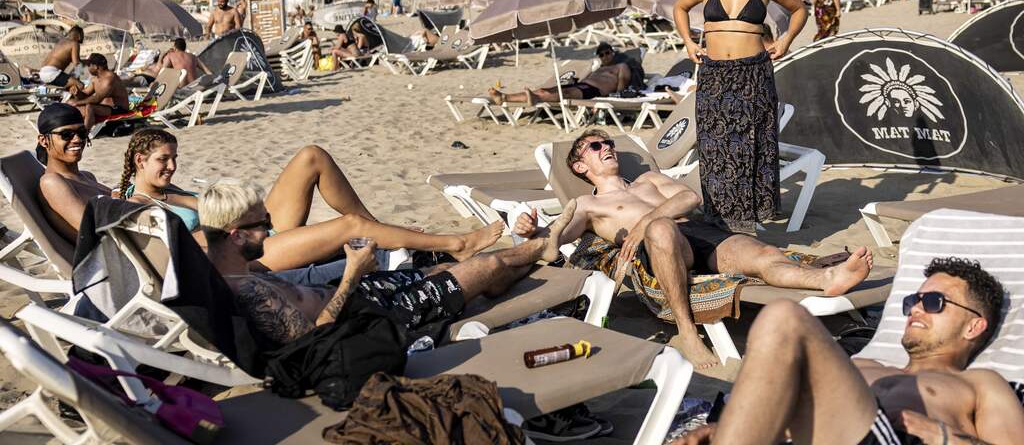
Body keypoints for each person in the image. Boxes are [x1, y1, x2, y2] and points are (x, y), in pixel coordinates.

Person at [512, 130, 872, 370]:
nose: (606, 148)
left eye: (608, 143)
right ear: (579, 166)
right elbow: (556, 242)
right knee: (659, 226)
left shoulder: (647, 180)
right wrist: (537, 231)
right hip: (661, 250)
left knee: (763, 258)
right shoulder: (585, 204)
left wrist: (642, 221)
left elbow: (689, 197)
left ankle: (826, 279)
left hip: (698, 234)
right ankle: (687, 331)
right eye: (595, 147)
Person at [673, 257, 1024, 445]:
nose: (916, 308)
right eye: (912, 300)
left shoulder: (981, 383)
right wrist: (730, 429)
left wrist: (944, 437)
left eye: (933, 302)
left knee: (784, 317)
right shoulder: (861, 363)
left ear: (973, 325)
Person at [200, 179, 572, 346]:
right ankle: (540, 247)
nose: (270, 230)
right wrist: (351, 274)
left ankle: (522, 259)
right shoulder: (247, 293)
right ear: (235, 234)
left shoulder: (227, 267)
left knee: (440, 271)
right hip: (366, 318)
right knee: (480, 268)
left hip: (359, 296)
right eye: (263, 225)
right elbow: (316, 338)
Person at [112, 128, 502, 271]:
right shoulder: (139, 205)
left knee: (311, 155)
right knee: (349, 229)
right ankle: (459, 244)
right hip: (247, 256)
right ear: (139, 160)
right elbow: (187, 246)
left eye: (175, 158)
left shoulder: (169, 192)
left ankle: (382, 227)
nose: (172, 166)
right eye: (163, 160)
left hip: (250, 230)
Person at [671, 0, 807, 233]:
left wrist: (786, 39)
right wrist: (689, 43)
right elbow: (679, 8)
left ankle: (747, 219)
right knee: (715, 145)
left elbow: (799, 9)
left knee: (751, 143)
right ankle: (719, 218)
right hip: (714, 73)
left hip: (753, 73)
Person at [35, 104, 112, 243]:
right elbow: (94, 231)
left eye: (82, 133)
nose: (77, 139)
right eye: (66, 134)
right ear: (43, 141)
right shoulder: (52, 182)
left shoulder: (86, 176)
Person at [488, 45, 633, 105]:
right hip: (583, 85)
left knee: (566, 92)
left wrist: (612, 98)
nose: (605, 56)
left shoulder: (621, 66)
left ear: (613, 53)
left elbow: (621, 88)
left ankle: (537, 99)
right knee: (544, 90)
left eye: (607, 53)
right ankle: (504, 97)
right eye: (601, 54)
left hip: (595, 91)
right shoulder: (598, 68)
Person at [67, 53, 131, 130]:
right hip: (104, 108)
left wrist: (77, 103)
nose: (88, 68)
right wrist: (77, 92)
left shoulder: (110, 78)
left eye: (89, 65)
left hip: (119, 109)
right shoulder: (95, 79)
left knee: (89, 107)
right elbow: (85, 95)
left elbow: (97, 99)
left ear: (95, 66)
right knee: (70, 102)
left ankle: (85, 131)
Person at [37, 25, 83, 92]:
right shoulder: (74, 43)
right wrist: (77, 79)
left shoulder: (61, 42)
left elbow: (64, 58)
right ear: (78, 36)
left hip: (42, 73)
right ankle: (75, 102)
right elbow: (77, 63)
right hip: (52, 73)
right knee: (80, 85)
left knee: (72, 84)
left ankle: (65, 94)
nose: (79, 42)